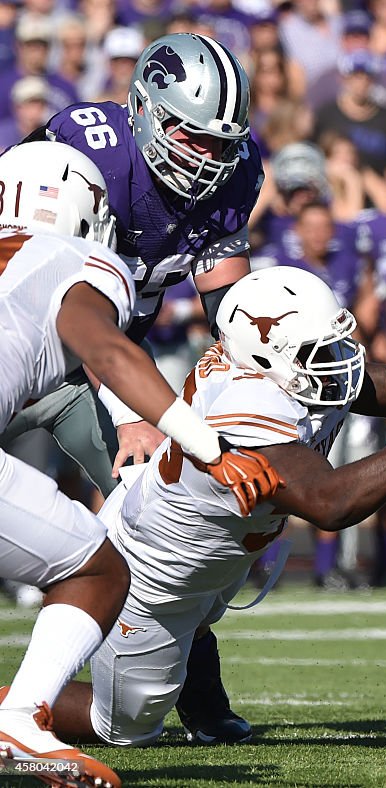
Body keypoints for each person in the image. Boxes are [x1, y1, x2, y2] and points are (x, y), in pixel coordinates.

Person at [40, 265, 386, 748]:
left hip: (216, 541)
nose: (337, 359)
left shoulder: (291, 372)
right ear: (263, 355)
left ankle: (204, 705)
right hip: (155, 572)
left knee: (205, 607)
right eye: (318, 350)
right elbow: (331, 503)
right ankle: (19, 702)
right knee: (121, 728)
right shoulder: (247, 403)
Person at [0, 32, 265, 745]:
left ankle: (198, 695)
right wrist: (135, 418)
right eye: (190, 136)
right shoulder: (84, 154)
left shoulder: (236, 176)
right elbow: (84, 322)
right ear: (144, 111)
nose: (206, 158)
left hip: (101, 356)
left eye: (220, 144)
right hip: (77, 349)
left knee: (162, 507)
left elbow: (229, 311)